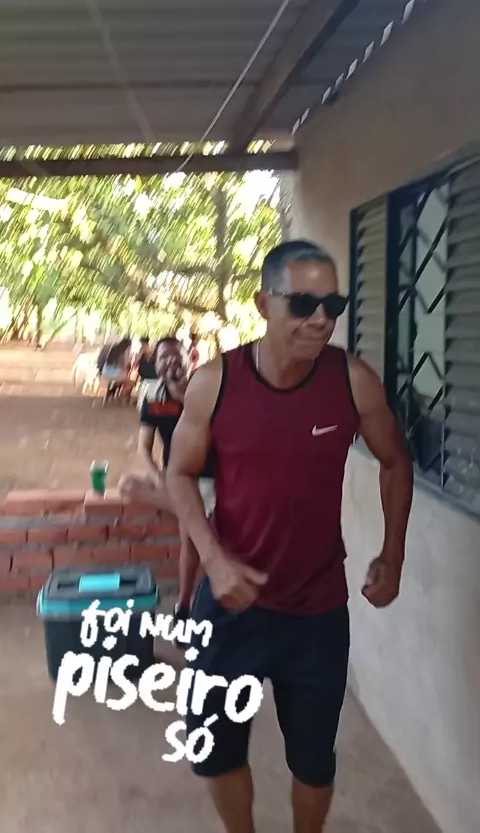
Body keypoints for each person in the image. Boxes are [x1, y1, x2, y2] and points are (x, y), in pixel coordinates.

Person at [166, 240, 413, 833]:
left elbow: (395, 460)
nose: (321, 319)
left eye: (333, 304)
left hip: (316, 608)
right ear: (263, 304)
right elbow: (178, 474)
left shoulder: (352, 381)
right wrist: (213, 560)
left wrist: (393, 554)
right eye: (303, 303)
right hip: (230, 605)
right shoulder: (215, 383)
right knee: (215, 750)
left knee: (313, 761)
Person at [118, 336, 215, 611]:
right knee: (127, 484)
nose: (170, 361)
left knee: (188, 533)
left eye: (176, 355)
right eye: (163, 357)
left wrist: (184, 395)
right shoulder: (153, 398)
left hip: (209, 479)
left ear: (190, 359)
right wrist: (158, 477)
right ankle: (198, 511)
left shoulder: (207, 391)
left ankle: (184, 603)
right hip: (176, 480)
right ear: (156, 365)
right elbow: (144, 448)